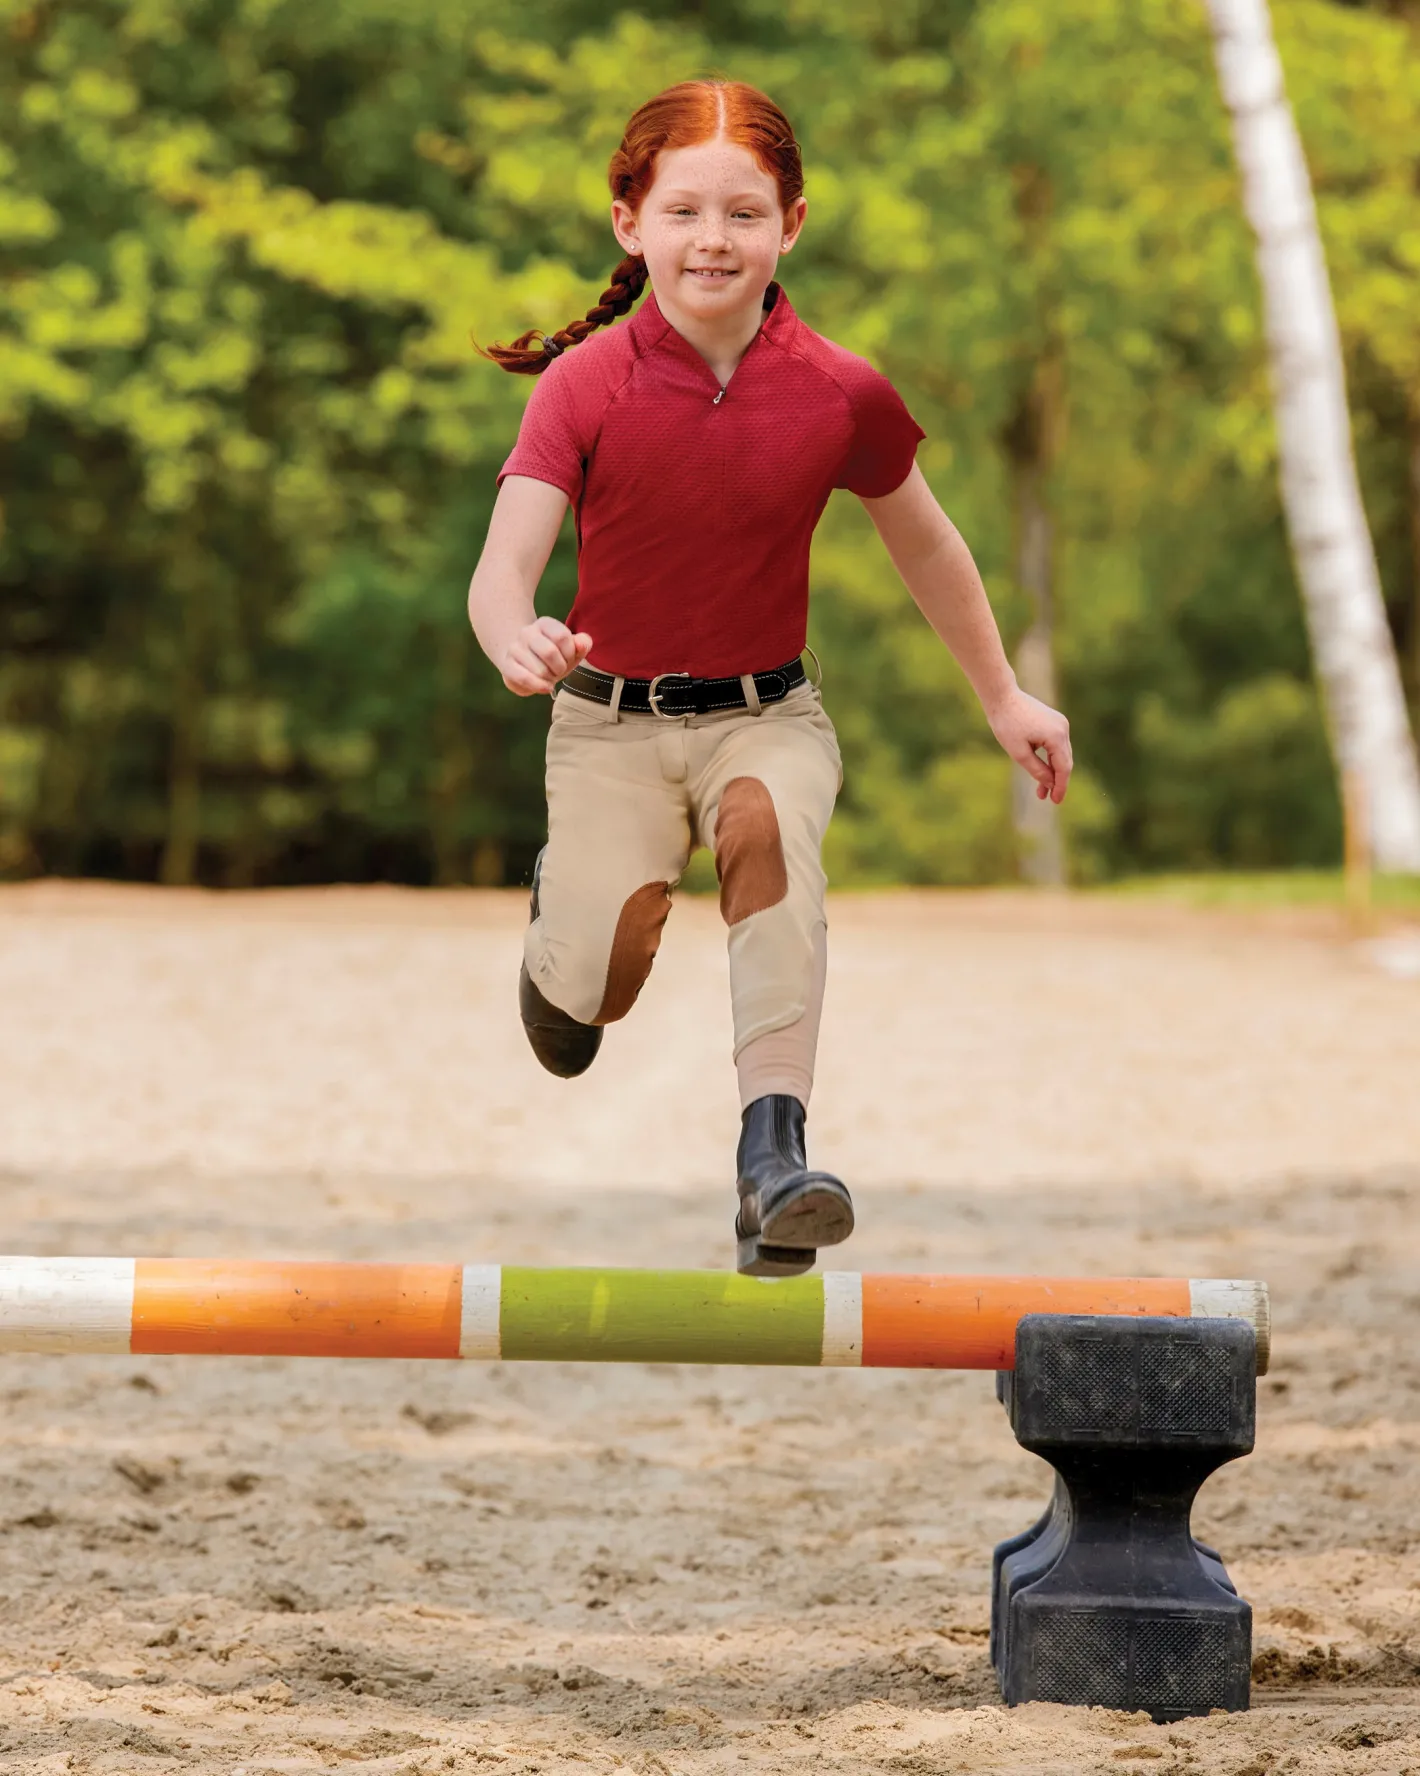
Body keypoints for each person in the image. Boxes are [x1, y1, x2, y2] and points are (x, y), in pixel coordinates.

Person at [467, 79, 1071, 1278]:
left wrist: (1003, 694)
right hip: (609, 730)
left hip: (768, 716)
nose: (713, 240)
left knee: (770, 844)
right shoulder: (585, 385)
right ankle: (560, 951)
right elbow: (503, 569)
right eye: (683, 212)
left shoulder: (839, 391)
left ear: (790, 225)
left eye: (743, 214)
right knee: (590, 998)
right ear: (629, 222)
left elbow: (928, 546)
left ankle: (773, 1164)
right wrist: (513, 636)